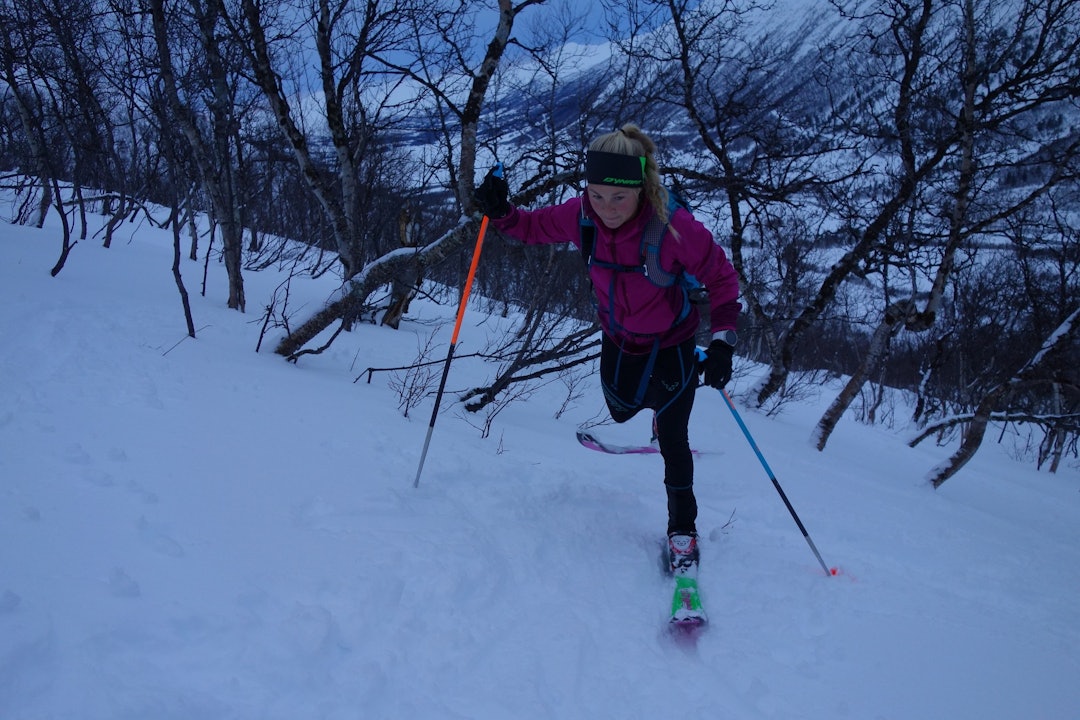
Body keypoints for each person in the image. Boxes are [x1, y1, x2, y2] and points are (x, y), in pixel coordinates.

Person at [473, 124, 741, 577]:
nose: (607, 208)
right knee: (619, 409)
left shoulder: (673, 227)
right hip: (618, 340)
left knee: (675, 438)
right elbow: (531, 227)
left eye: (619, 197)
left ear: (642, 187)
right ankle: (659, 406)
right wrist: (500, 211)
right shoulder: (582, 216)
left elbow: (722, 280)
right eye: (597, 195)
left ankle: (682, 532)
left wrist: (721, 344)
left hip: (672, 343)